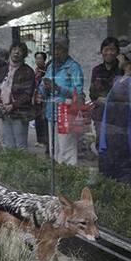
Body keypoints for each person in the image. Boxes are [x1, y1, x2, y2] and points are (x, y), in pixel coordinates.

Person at [97, 53, 131, 185]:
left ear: (128, 61)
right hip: (115, 131)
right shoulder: (122, 79)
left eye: (121, 56)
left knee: (124, 173)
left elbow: (125, 105)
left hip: (123, 135)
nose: (117, 58)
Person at [39, 35, 84, 165]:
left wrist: (58, 88)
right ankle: (58, 179)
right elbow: (44, 87)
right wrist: (42, 89)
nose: (55, 52)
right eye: (53, 49)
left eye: (58, 49)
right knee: (54, 150)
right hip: (51, 113)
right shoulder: (50, 66)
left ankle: (69, 178)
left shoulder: (73, 67)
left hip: (66, 114)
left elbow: (78, 93)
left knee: (67, 151)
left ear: (66, 50)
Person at [0, 42, 35, 149]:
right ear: (10, 51)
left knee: (20, 146)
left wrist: (13, 105)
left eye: (20, 50)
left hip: (19, 113)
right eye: (14, 49)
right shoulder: (3, 70)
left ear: (24, 54)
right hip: (4, 112)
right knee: (8, 145)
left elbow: (27, 94)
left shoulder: (27, 71)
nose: (16, 52)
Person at [89, 37, 123, 152]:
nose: (109, 52)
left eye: (112, 49)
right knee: (102, 148)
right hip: (100, 115)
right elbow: (92, 93)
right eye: (106, 49)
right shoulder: (96, 70)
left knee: (116, 148)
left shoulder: (122, 70)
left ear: (117, 52)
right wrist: (98, 99)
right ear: (102, 51)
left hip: (118, 117)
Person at [33, 51, 49, 151]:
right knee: (37, 119)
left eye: (40, 58)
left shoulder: (47, 71)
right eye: (37, 58)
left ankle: (45, 140)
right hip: (36, 99)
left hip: (44, 99)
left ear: (44, 60)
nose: (38, 60)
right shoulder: (36, 71)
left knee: (44, 120)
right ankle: (39, 140)